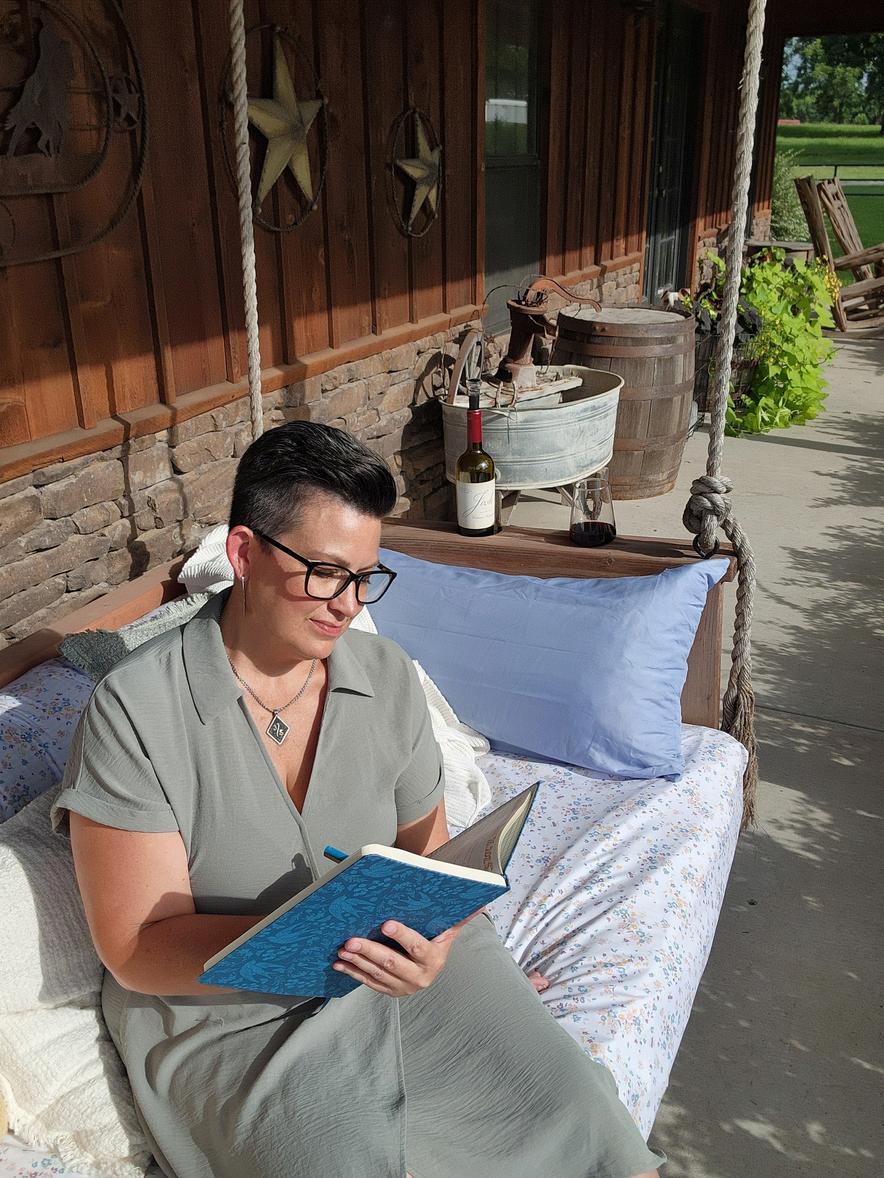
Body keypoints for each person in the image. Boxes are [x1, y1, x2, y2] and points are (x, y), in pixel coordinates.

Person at [52, 422, 664, 1178]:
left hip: (405, 968)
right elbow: (138, 949)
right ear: (243, 553)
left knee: (582, 1117)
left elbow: (429, 855)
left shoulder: (386, 674)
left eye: (365, 578)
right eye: (325, 572)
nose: (347, 604)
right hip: (227, 1016)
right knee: (343, 1159)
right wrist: (319, 948)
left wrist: (438, 942)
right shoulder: (135, 710)